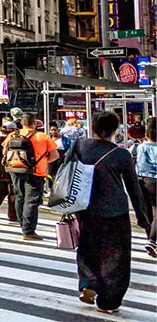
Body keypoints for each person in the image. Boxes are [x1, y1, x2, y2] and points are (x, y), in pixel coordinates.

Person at [73, 110, 151, 313]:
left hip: (86, 209)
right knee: (116, 258)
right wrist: (143, 220)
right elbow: (134, 190)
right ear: (115, 130)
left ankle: (88, 283)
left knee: (87, 249)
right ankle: (108, 301)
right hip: (115, 212)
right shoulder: (121, 155)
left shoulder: (80, 146)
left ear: (94, 128)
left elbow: (66, 171)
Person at [3, 112, 59, 241]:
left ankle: (23, 225)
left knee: (19, 197)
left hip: (14, 170)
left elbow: (5, 152)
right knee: (32, 200)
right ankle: (28, 231)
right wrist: (43, 161)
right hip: (35, 172)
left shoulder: (12, 135)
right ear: (34, 123)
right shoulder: (42, 136)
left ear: (22, 123)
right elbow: (55, 155)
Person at [134, 117, 157, 257]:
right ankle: (152, 241)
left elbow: (139, 165)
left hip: (143, 180)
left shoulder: (141, 147)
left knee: (148, 211)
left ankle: (150, 238)